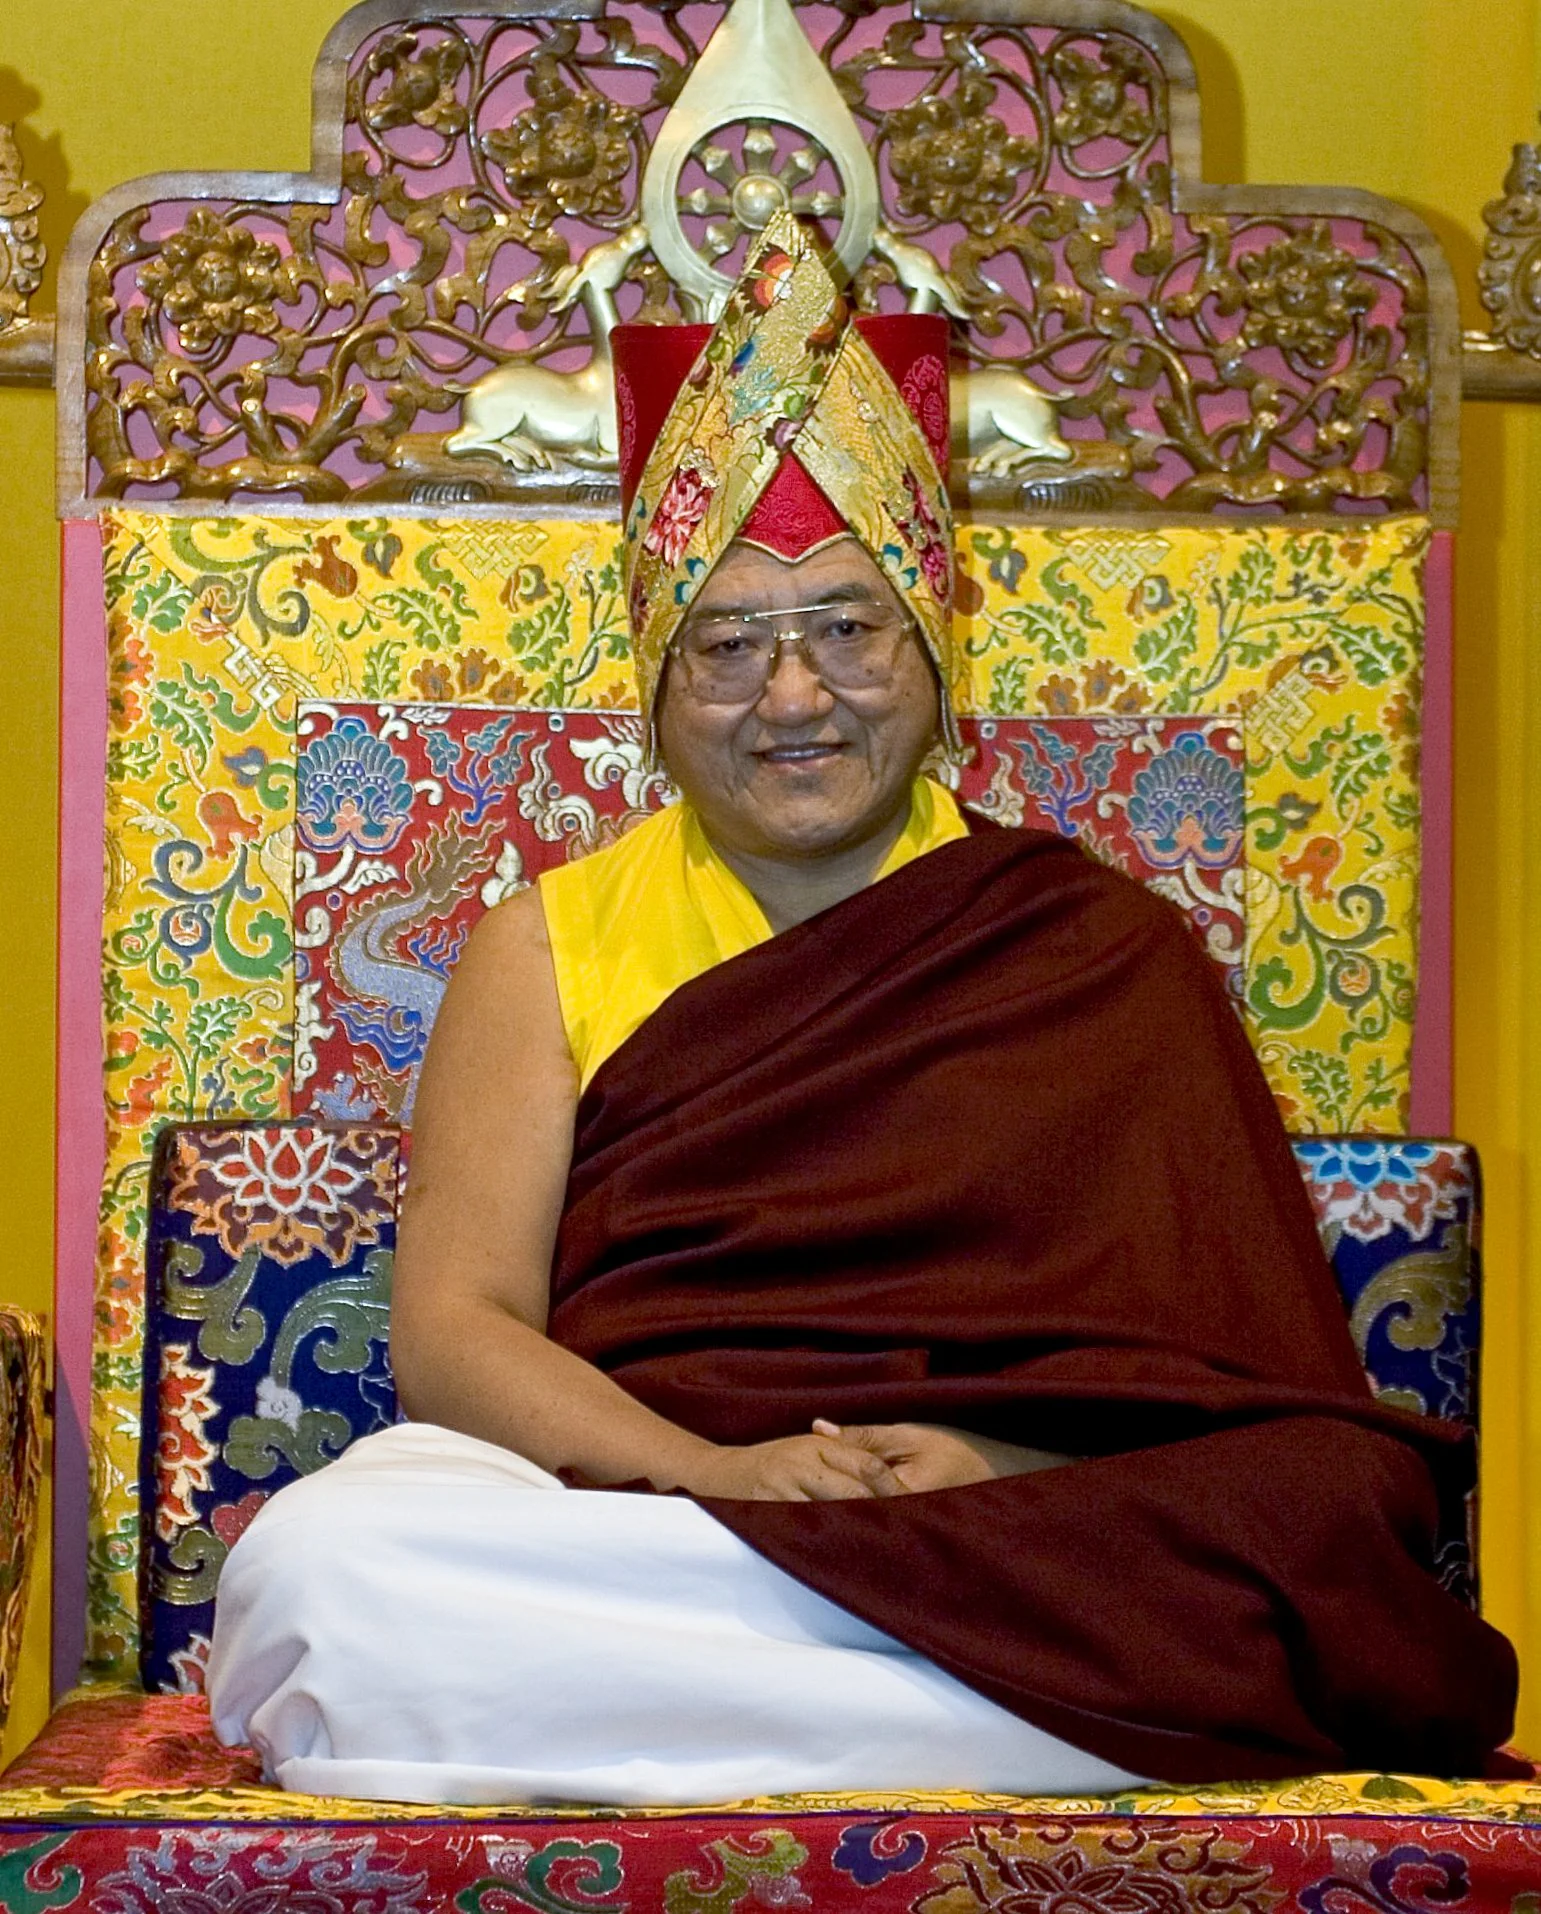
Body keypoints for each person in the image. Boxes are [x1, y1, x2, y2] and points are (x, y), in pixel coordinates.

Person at [208, 215, 1519, 1806]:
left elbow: (1252, 1403)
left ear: (931, 641)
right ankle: (1029, 1726)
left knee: (1322, 1519)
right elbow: (456, 1328)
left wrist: (992, 1469)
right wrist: (723, 1473)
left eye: (847, 625)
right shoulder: (545, 945)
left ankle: (693, 1716)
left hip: (1011, 1530)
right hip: (659, 1516)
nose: (798, 694)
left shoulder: (1101, 948)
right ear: (653, 673)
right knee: (336, 1558)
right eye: (732, 642)